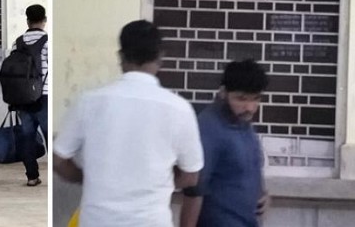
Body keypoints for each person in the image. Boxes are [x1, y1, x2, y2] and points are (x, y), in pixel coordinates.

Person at [53, 19, 204, 227]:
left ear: (121, 57)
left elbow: (59, 160)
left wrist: (88, 177)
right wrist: (157, 182)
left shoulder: (89, 102)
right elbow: (191, 177)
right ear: (160, 57)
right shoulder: (180, 109)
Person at [180, 59, 270, 227]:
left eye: (255, 99)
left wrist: (264, 195)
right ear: (223, 92)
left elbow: (250, 167)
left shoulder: (244, 124)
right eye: (241, 99)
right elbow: (194, 190)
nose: (250, 107)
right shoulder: (208, 128)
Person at [13, 4, 48, 186]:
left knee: (27, 137)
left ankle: (32, 177)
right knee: (49, 136)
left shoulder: (18, 42)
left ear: (27, 20)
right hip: (44, 96)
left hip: (23, 97)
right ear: (44, 20)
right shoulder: (48, 41)